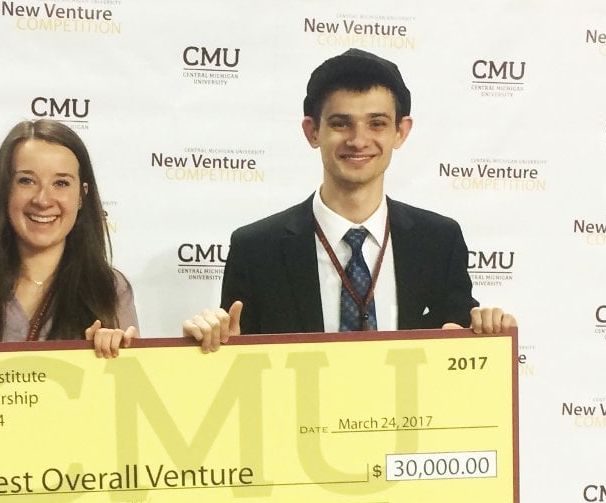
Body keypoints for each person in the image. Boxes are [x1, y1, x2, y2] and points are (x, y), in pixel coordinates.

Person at [184, 49, 516, 352]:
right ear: (312, 132)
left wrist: (487, 337)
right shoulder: (256, 248)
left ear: (401, 131)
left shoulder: (439, 240)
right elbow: (239, 360)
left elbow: (459, 352)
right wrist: (215, 348)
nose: (359, 140)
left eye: (377, 123)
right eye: (341, 124)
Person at [0, 119, 137, 360]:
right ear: (5, 190)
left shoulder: (108, 289)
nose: (43, 199)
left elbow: (127, 392)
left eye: (61, 183)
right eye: (27, 180)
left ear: (81, 195)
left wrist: (117, 358)